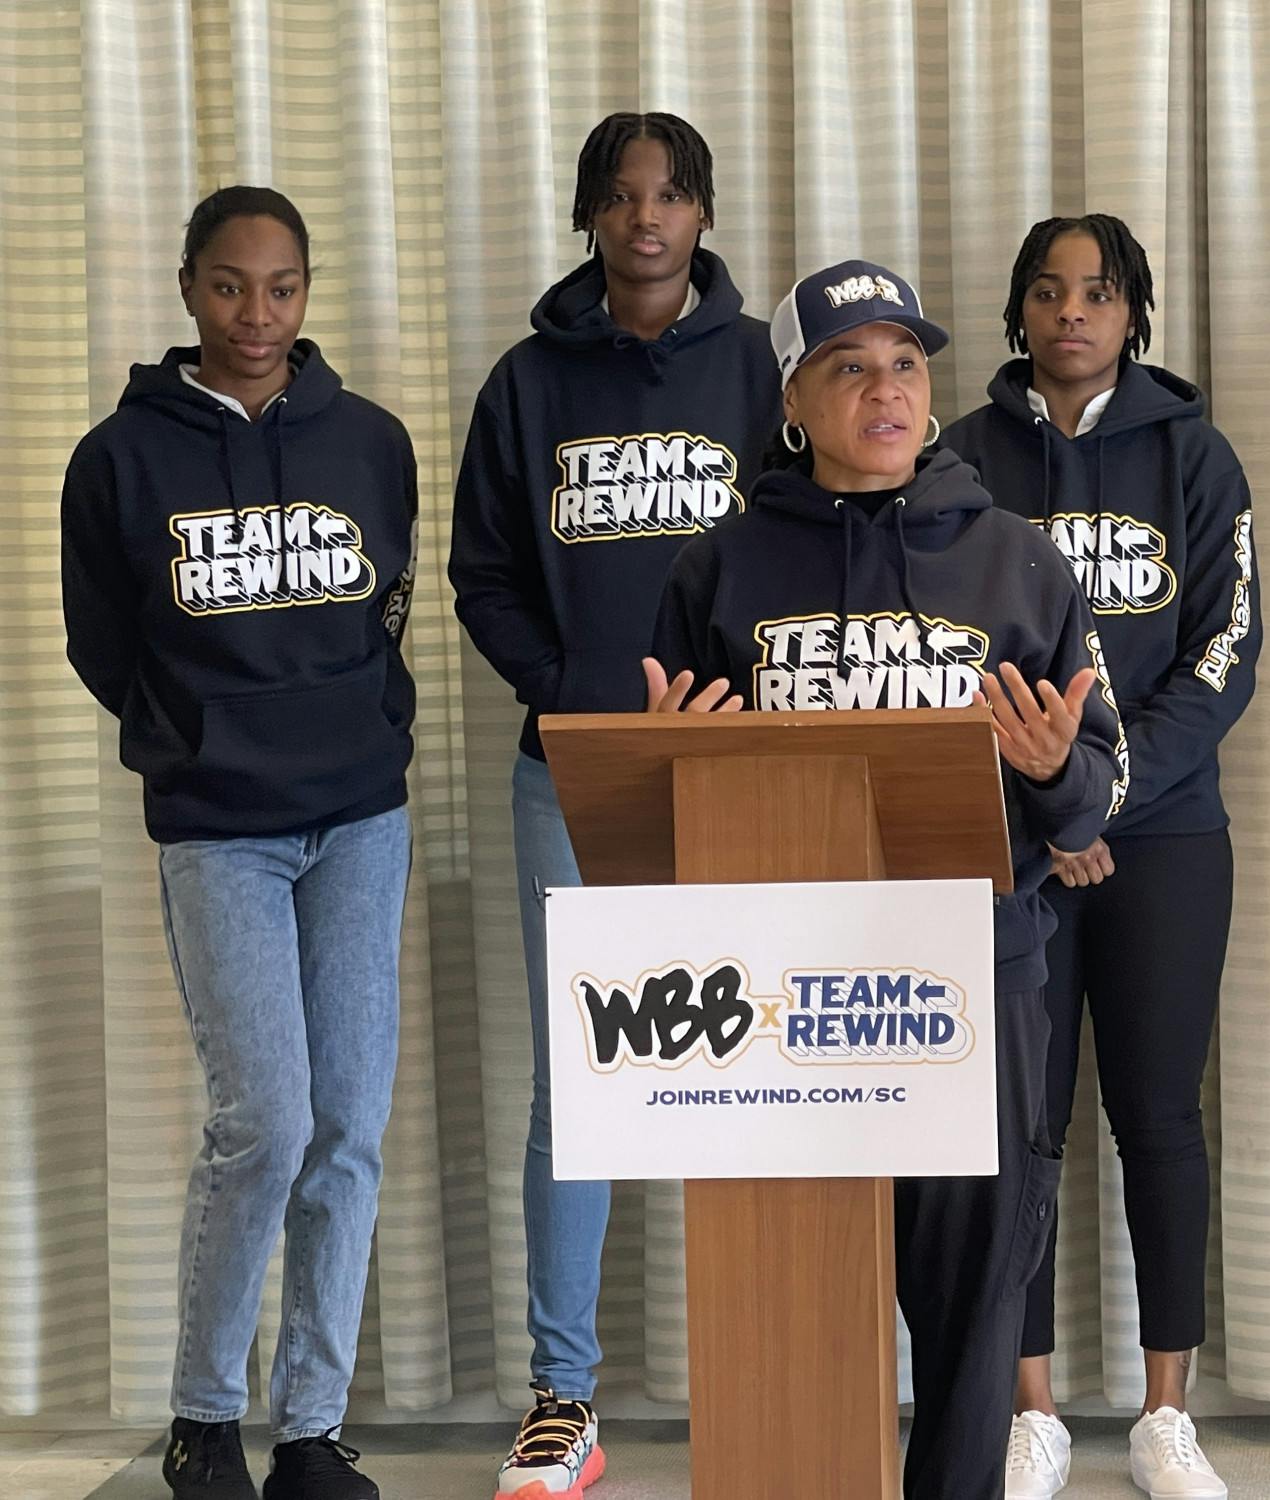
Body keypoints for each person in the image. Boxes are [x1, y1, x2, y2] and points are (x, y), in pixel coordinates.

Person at [646, 258, 1127, 1500]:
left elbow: (1090, 785)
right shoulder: (720, 572)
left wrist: (1055, 772)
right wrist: (675, 760)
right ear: (792, 400)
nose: (885, 389)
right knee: (798, 1284)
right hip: (780, 990)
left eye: (906, 363)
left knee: (973, 1300)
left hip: (975, 974)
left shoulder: (1019, 564)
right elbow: (660, 810)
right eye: (847, 365)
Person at [61, 186, 418, 1500]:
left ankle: (312, 1430)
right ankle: (205, 1416)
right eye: (228, 286)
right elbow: (104, 639)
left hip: (361, 821)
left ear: (308, 293)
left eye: (280, 288)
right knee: (262, 1123)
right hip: (220, 829)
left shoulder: (370, 442)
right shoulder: (118, 458)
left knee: (350, 1127)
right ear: (187, 288)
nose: (255, 315)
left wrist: (356, 723)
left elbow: (384, 606)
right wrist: (200, 731)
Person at [447, 111, 781, 1499]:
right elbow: (482, 571)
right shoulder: (528, 384)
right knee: (584, 1083)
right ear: (589, 214)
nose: (647, 220)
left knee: (754, 1063)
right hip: (569, 774)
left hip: (741, 769)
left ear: (703, 213)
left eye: (671, 196)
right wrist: (570, 695)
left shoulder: (764, 366)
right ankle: (563, 1399)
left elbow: (812, 530)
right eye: (622, 197)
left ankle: (770, 1367)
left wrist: (737, 695)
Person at [943, 214, 1260, 1500]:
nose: (1071, 311)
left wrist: (1098, 801)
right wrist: (1041, 816)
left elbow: (1221, 660)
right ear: (1018, 313)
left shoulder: (1195, 455)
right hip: (1004, 840)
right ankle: (1029, 1411)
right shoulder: (960, 459)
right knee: (1017, 1123)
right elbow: (935, 652)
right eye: (1046, 291)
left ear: (1133, 313)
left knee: (1158, 1116)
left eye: (1098, 291)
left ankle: (1162, 1415)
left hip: (1164, 835)